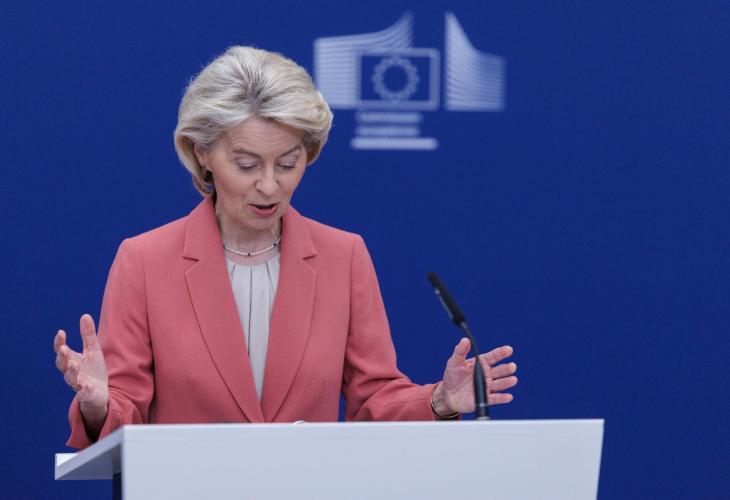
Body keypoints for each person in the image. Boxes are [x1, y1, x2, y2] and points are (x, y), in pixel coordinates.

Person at [53, 46, 518, 449]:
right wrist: (98, 404)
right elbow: (124, 415)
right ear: (202, 153)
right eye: (247, 164)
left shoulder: (343, 257)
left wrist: (439, 400)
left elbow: (374, 399)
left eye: (288, 163)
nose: (270, 185)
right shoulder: (145, 261)